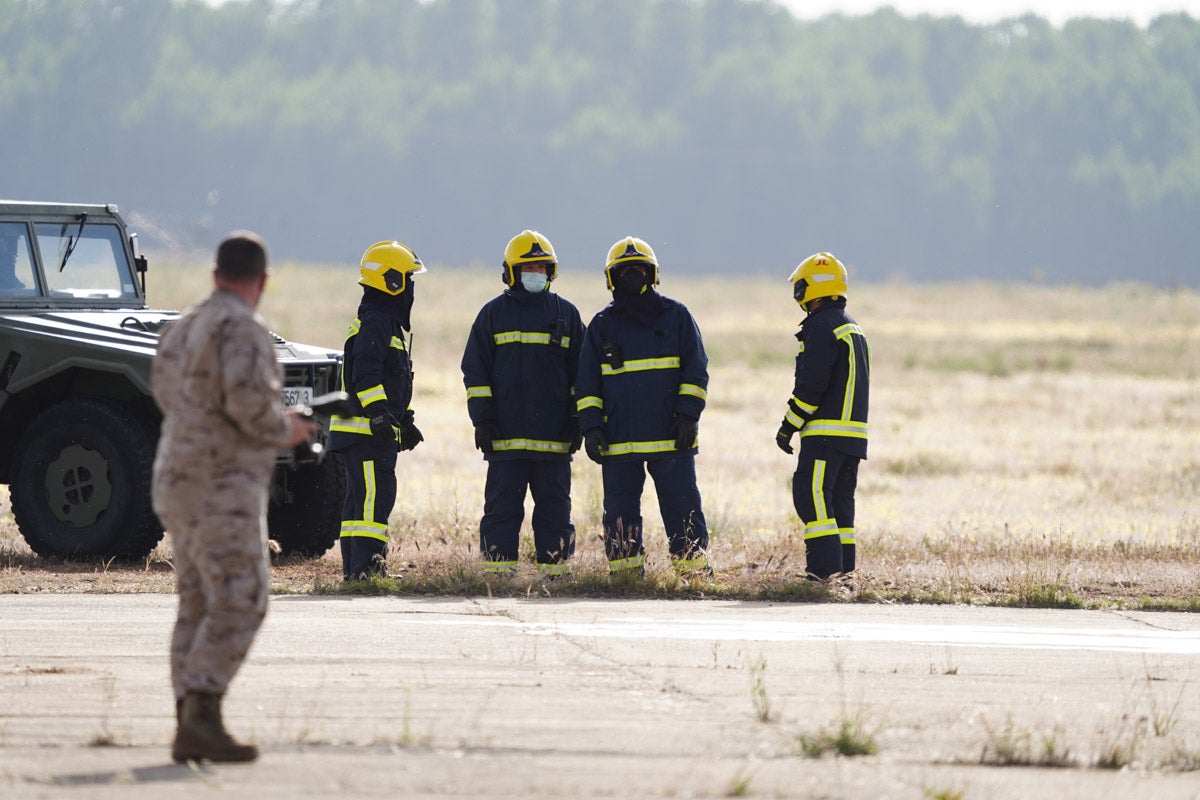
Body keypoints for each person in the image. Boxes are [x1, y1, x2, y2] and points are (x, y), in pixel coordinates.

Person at [151, 231, 317, 763]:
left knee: (197, 601)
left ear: (215, 274)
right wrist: (287, 429)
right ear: (262, 281)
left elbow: (162, 390)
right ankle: (203, 707)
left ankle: (188, 719)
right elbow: (249, 404)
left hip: (176, 478)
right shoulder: (242, 329)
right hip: (221, 484)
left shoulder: (184, 326)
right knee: (244, 597)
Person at [576, 236, 711, 577]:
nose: (632, 276)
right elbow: (587, 384)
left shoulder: (677, 317)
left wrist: (688, 417)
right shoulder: (601, 326)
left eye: (639, 269)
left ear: (653, 275)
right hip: (620, 441)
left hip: (672, 440)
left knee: (683, 507)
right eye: (625, 271)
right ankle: (625, 578)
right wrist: (591, 429)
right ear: (612, 278)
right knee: (620, 513)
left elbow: (696, 370)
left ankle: (693, 574)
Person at [460, 230, 586, 577]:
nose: (536, 273)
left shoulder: (568, 315)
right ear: (511, 272)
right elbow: (475, 372)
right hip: (505, 440)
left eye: (542, 267)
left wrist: (579, 418)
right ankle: (498, 578)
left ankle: (555, 578)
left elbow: (584, 374)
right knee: (501, 511)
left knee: (555, 512)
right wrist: (482, 420)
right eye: (529, 267)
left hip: (554, 442)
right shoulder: (492, 315)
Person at [328, 241, 425, 581]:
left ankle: (355, 573)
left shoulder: (380, 322)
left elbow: (386, 380)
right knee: (374, 501)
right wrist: (379, 415)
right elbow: (365, 374)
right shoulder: (378, 322)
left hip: (365, 432)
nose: (412, 289)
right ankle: (367, 570)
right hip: (365, 433)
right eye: (409, 280)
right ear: (393, 282)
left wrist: (402, 421)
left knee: (359, 505)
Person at [774, 252, 870, 581]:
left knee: (810, 495)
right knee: (840, 502)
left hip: (825, 434)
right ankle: (845, 573)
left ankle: (823, 573)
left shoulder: (820, 327)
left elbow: (812, 386)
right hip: (853, 436)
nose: (797, 293)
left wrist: (789, 426)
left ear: (812, 288)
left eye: (800, 286)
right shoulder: (851, 327)